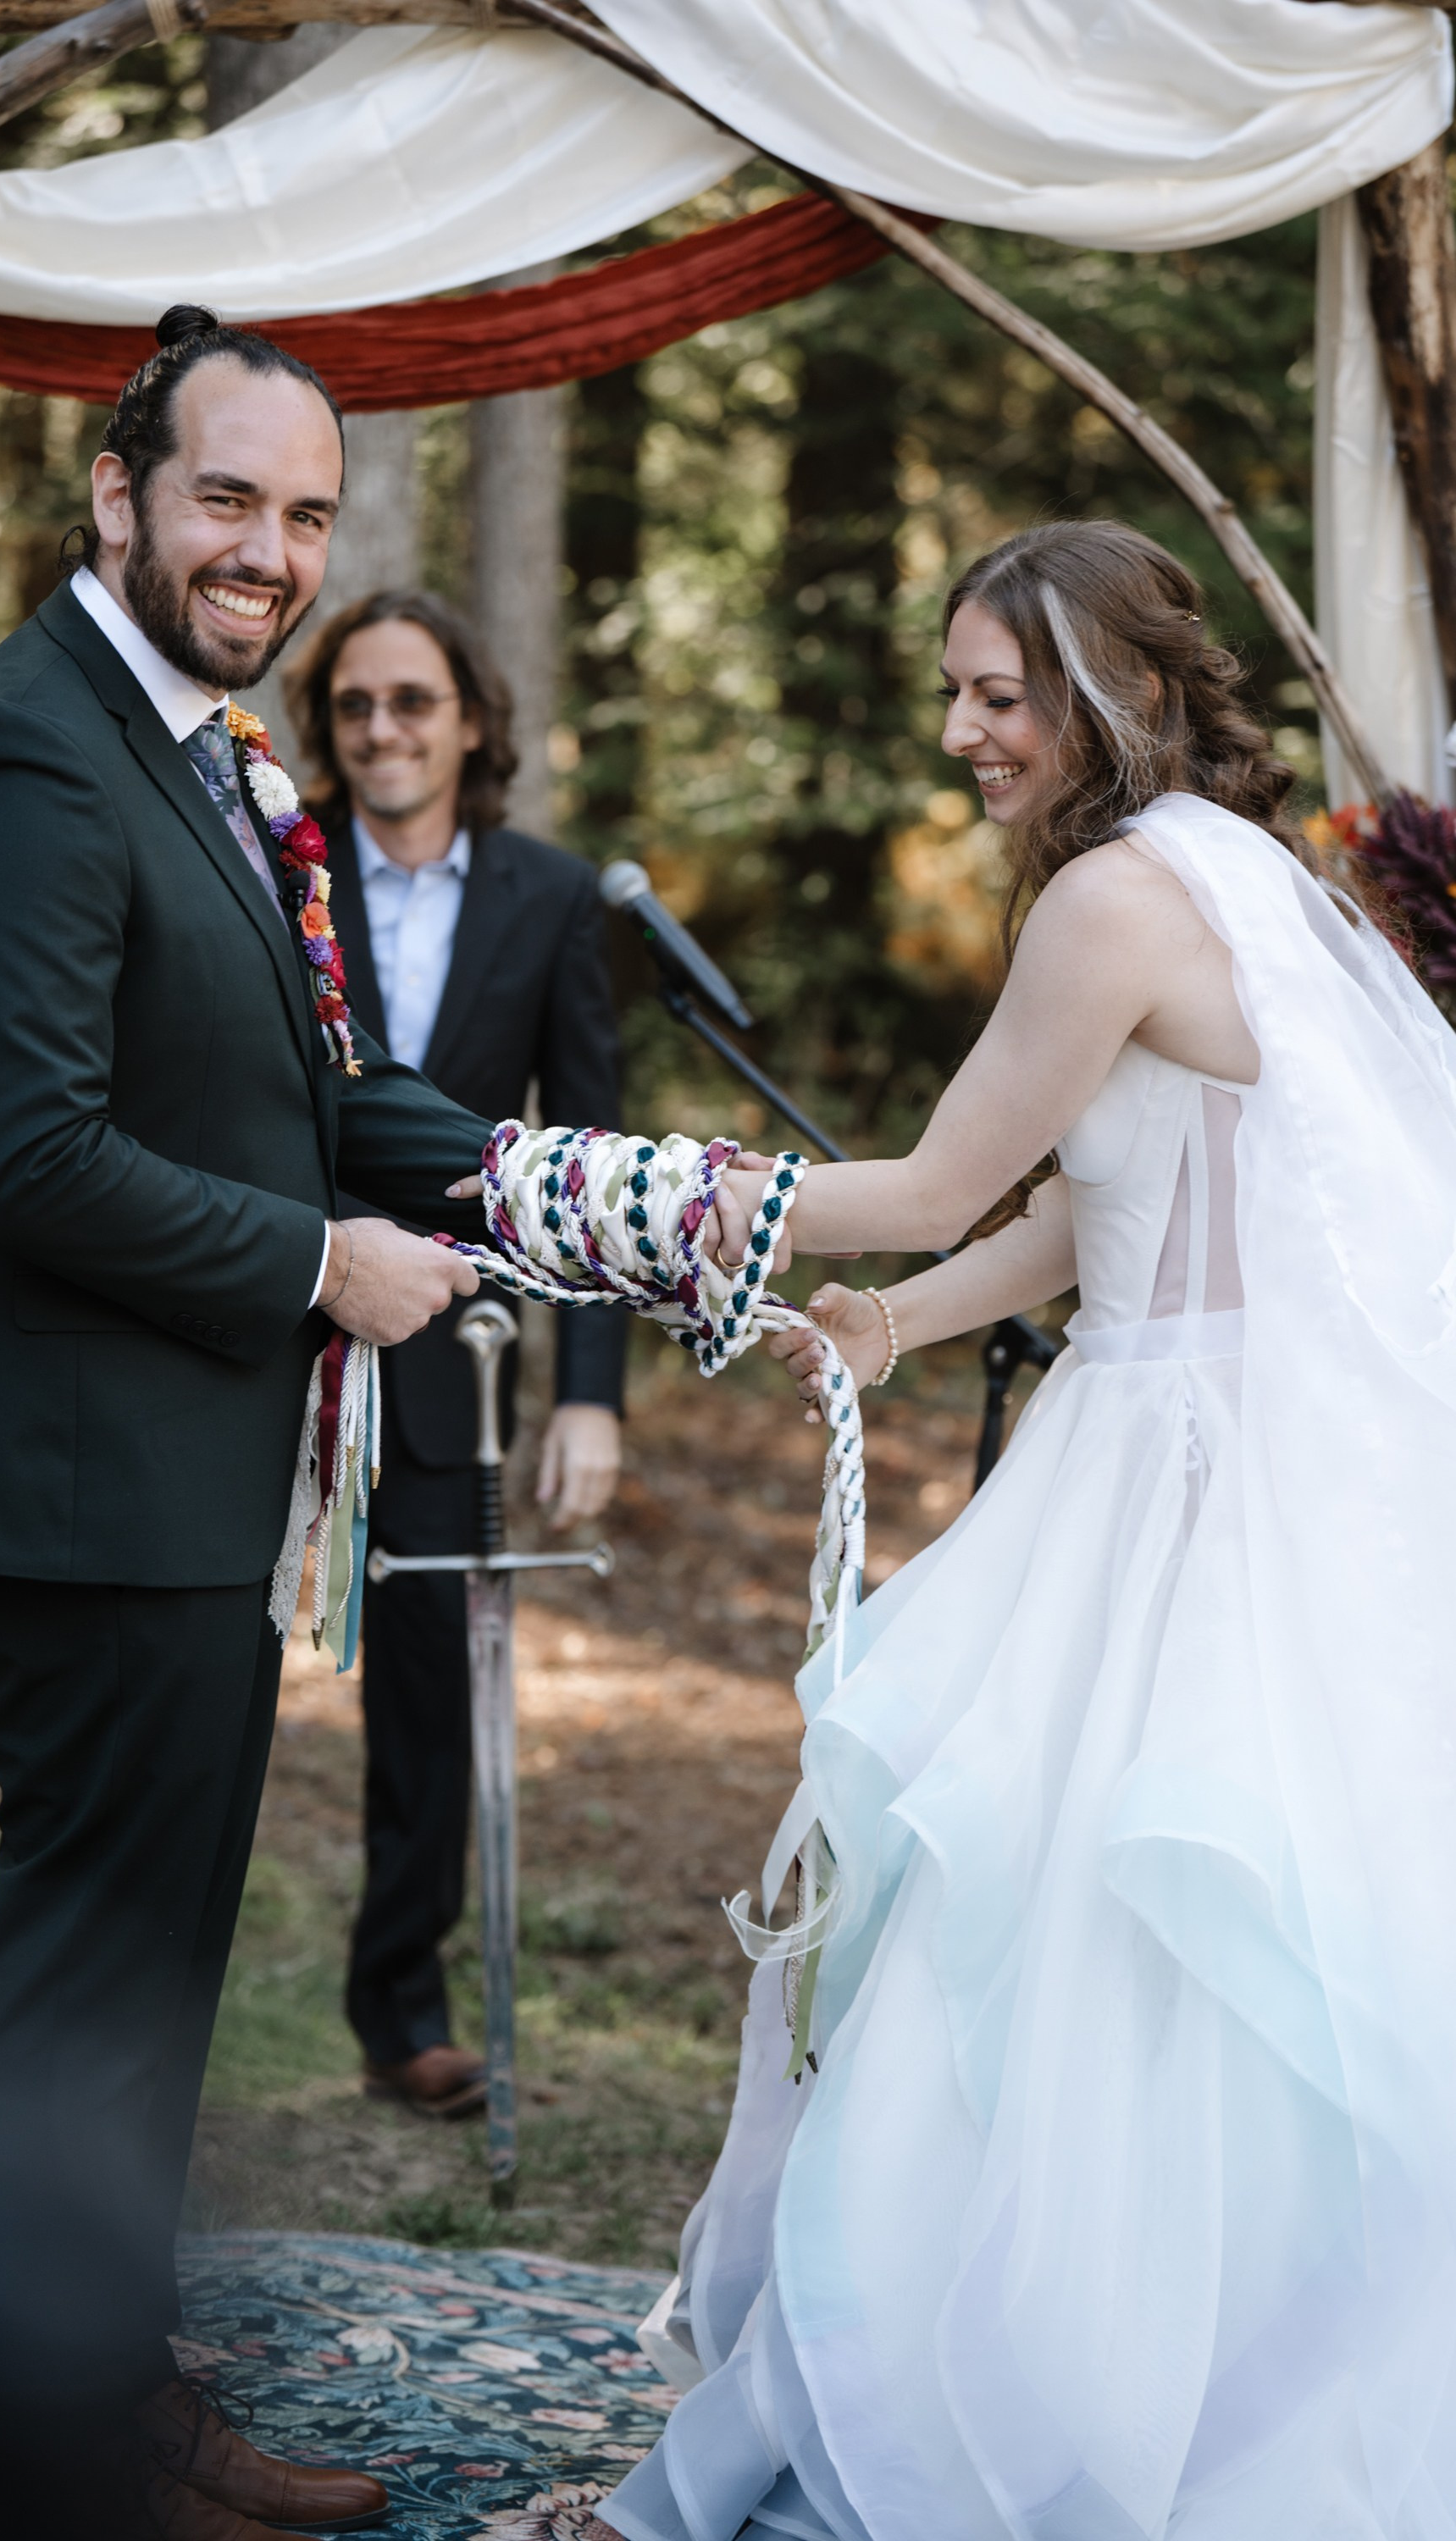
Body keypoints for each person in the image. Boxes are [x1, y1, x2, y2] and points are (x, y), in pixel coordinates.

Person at [593, 519, 1456, 2540]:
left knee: (1057, 1937)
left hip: (1164, 1487)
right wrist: (905, 1324)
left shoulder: (1101, 902)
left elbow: (929, 1176)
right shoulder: (1236, 882)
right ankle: (1171, 2384)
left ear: (1123, 696)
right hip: (1223, 1446)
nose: (964, 733)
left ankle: (1024, 2412)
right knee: (1161, 1954)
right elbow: (1101, 1188)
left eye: (1003, 694)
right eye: (957, 693)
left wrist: (626, 1199)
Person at [0, 305, 496, 2540]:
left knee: (141, 1976)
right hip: (85, 1481)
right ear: (119, 497)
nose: (271, 550)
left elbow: (308, 1091)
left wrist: (539, 1180)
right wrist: (324, 1263)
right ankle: (53, 2438)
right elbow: (28, 1153)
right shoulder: (27, 752)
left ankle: (84, 2394)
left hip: (175, 1475)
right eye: (229, 497)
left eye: (308, 514)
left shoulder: (201, 747)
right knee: (95, 1982)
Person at [284, 590, 624, 2119]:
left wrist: (591, 1394)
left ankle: (402, 2010)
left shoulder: (555, 901)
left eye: (412, 702)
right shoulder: (273, 882)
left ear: (471, 722)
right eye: (355, 706)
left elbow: (594, 1156)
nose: (382, 731)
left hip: (447, 1367)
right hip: (253, 1317)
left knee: (429, 1698)